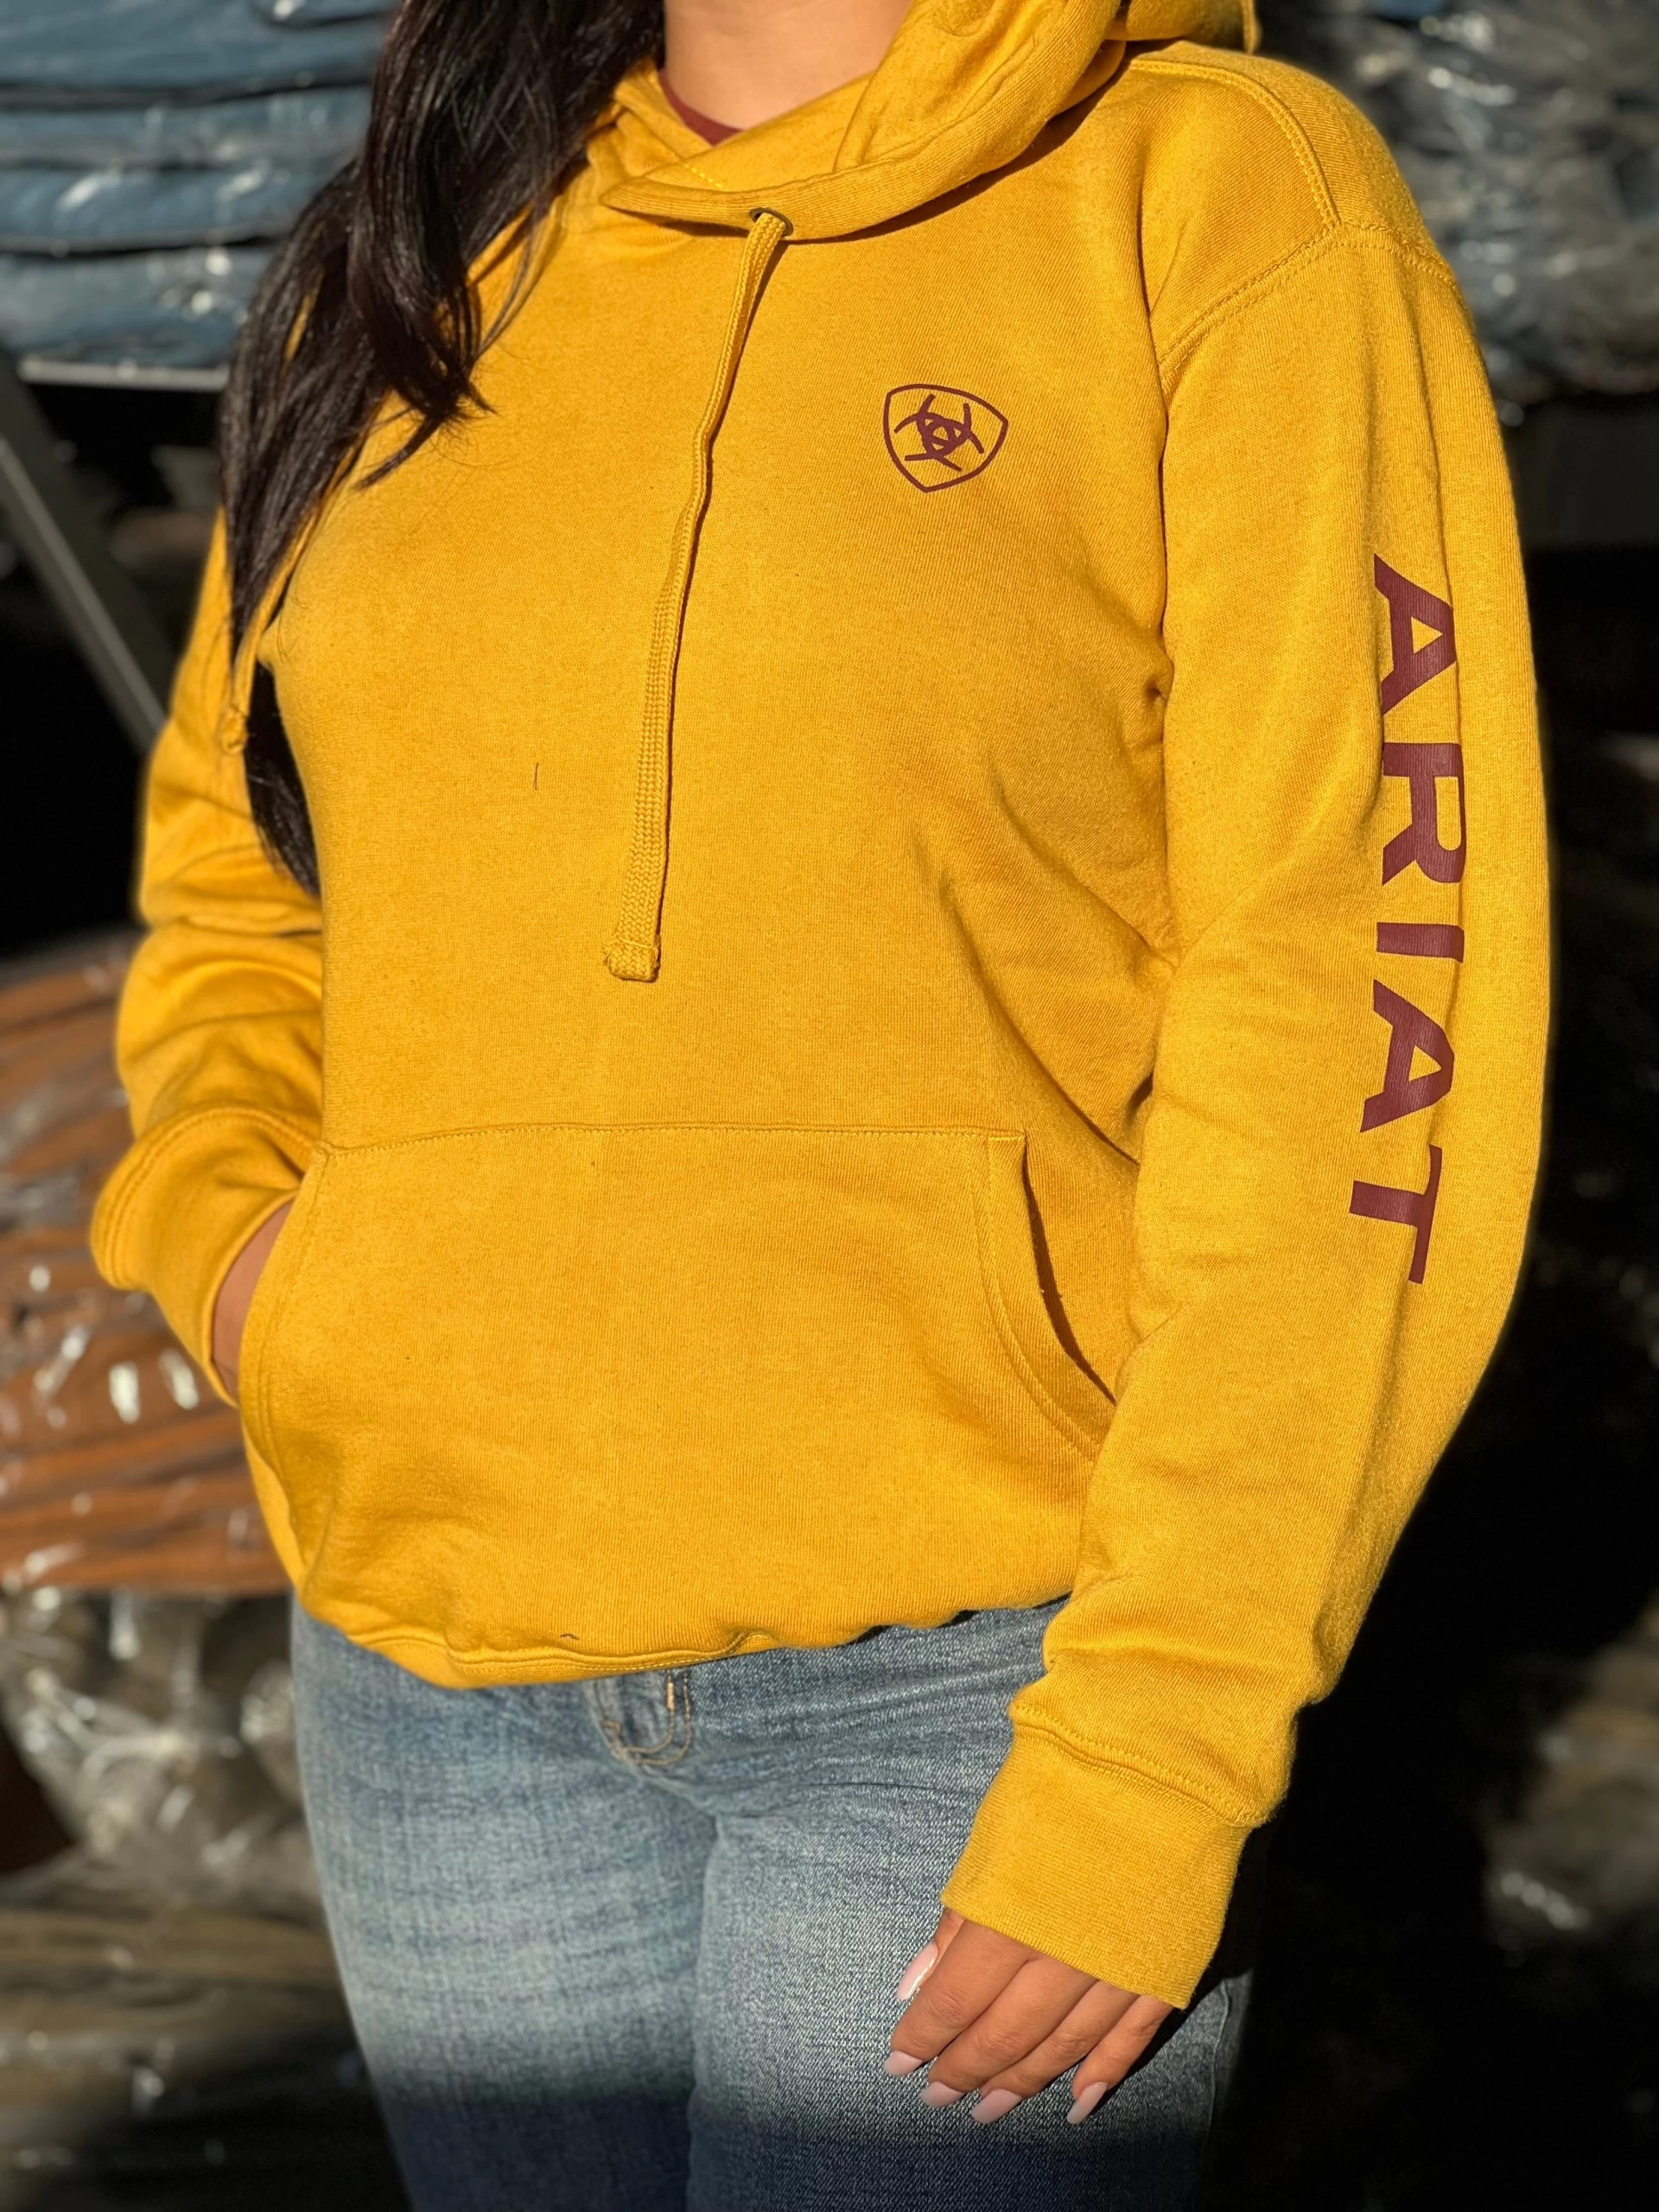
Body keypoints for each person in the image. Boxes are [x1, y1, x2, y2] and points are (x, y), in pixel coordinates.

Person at [91, 0, 1548, 2202]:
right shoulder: (402, 253)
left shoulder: (1218, 195)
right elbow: (244, 886)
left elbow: (1359, 999)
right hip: (433, 1669)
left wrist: (1164, 1736)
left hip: (972, 1687)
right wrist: (252, 1257)